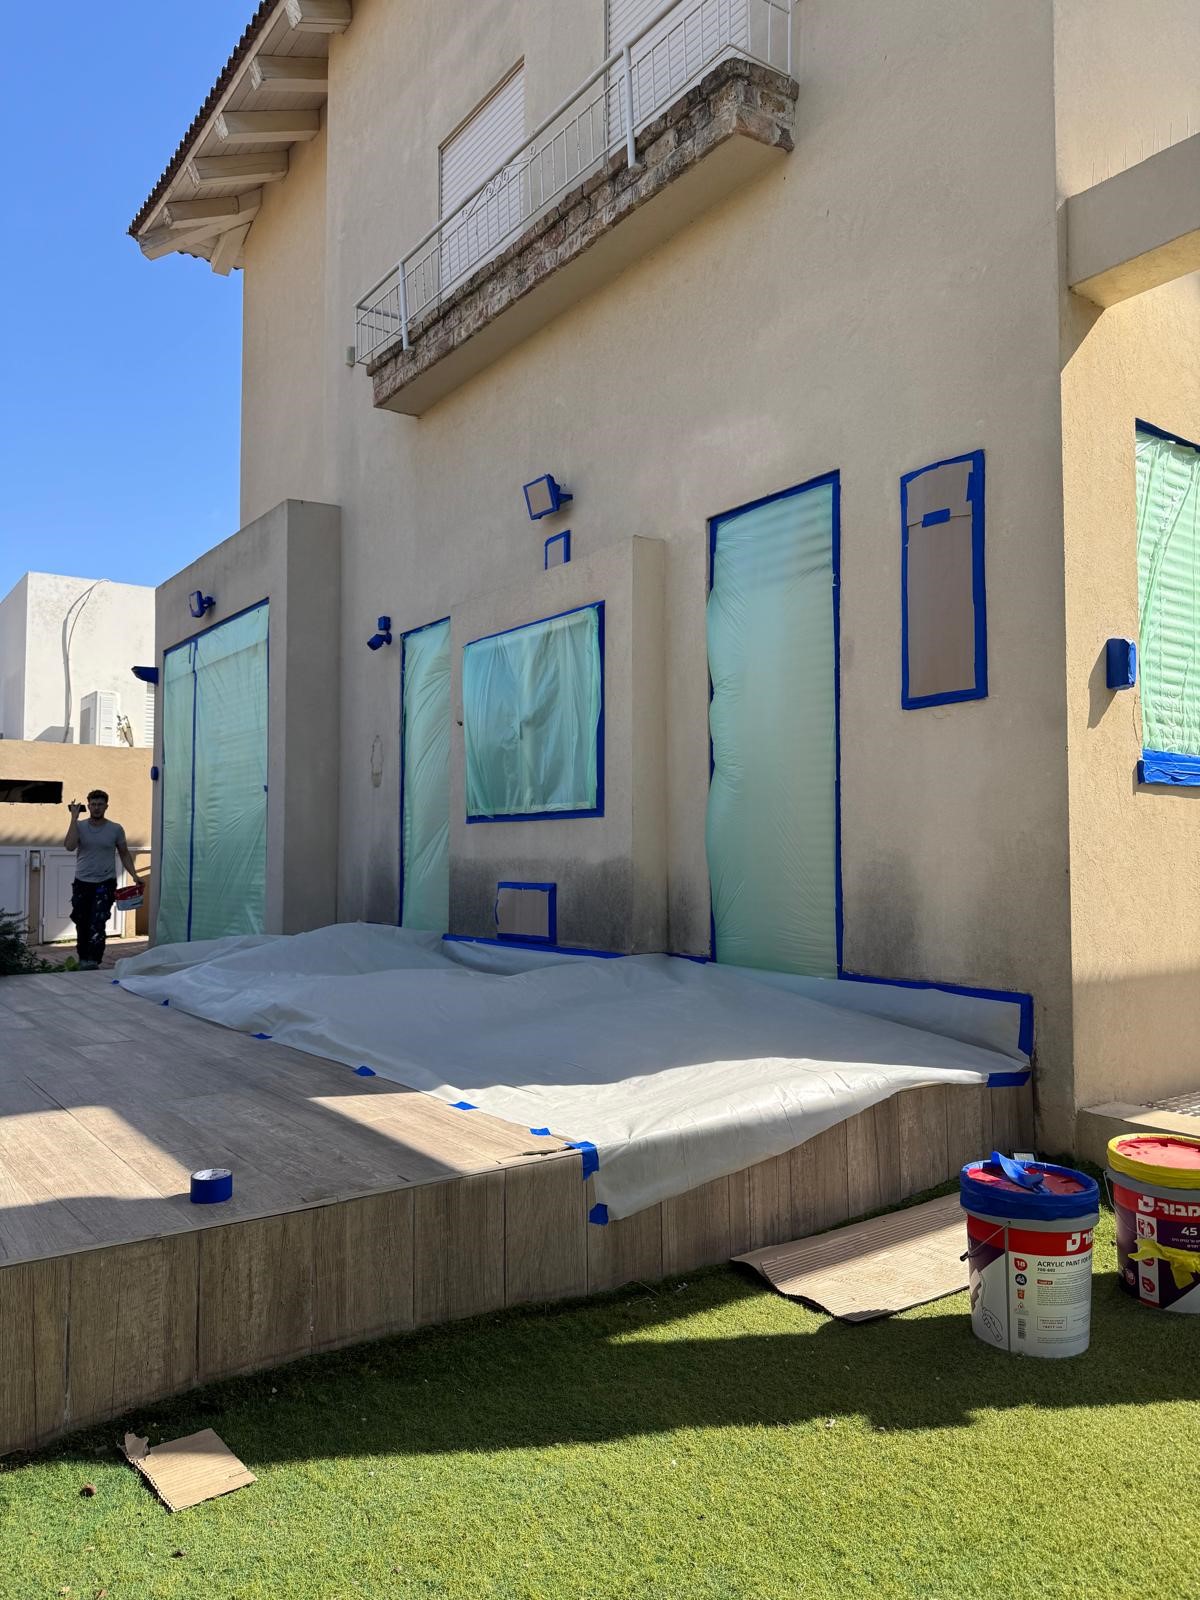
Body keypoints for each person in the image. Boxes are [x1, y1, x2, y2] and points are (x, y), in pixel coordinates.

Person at [64, 789, 144, 970]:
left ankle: (93, 961)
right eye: (93, 804)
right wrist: (73, 819)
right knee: (82, 921)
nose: (96, 808)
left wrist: (134, 875)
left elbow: (124, 853)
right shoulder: (79, 826)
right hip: (82, 882)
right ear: (88, 806)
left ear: (106, 806)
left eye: (100, 804)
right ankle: (83, 958)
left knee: (98, 922)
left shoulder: (115, 829)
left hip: (105, 883)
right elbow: (69, 846)